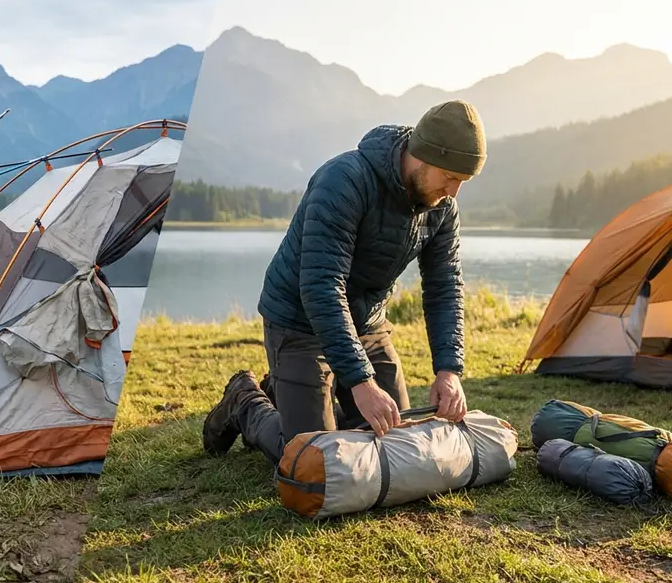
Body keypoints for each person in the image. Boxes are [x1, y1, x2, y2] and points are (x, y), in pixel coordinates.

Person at [201, 100, 485, 466]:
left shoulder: (442, 207)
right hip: (299, 321)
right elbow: (321, 285)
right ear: (423, 157)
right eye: (449, 177)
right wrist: (361, 381)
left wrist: (449, 371)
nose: (454, 191)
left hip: (367, 324)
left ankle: (293, 387)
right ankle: (246, 401)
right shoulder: (344, 180)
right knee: (316, 458)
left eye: (463, 182)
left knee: (396, 442)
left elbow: (445, 286)